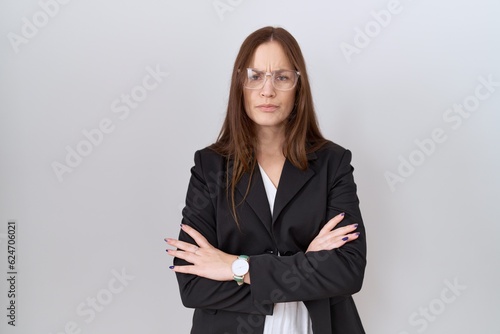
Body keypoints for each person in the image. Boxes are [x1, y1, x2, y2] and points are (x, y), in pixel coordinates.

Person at [165, 26, 367, 334]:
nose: (267, 90)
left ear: (298, 87)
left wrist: (235, 267)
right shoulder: (210, 167)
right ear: (240, 85)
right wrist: (307, 263)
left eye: (282, 77)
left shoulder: (333, 163)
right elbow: (193, 285)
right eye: (255, 76)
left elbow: (347, 271)